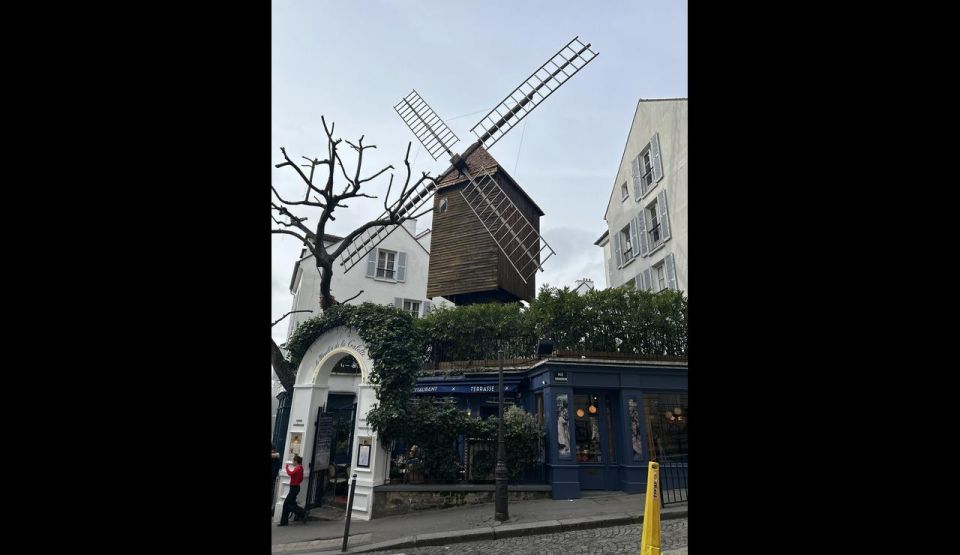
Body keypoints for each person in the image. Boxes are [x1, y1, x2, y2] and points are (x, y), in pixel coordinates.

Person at [279, 455, 306, 526]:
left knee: (286, 504)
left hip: (294, 488)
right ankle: (284, 522)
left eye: (293, 461)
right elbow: (301, 479)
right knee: (290, 504)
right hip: (295, 487)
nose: (292, 462)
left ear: (296, 461)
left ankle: (302, 513)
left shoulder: (297, 468)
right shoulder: (301, 468)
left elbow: (290, 473)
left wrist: (287, 467)